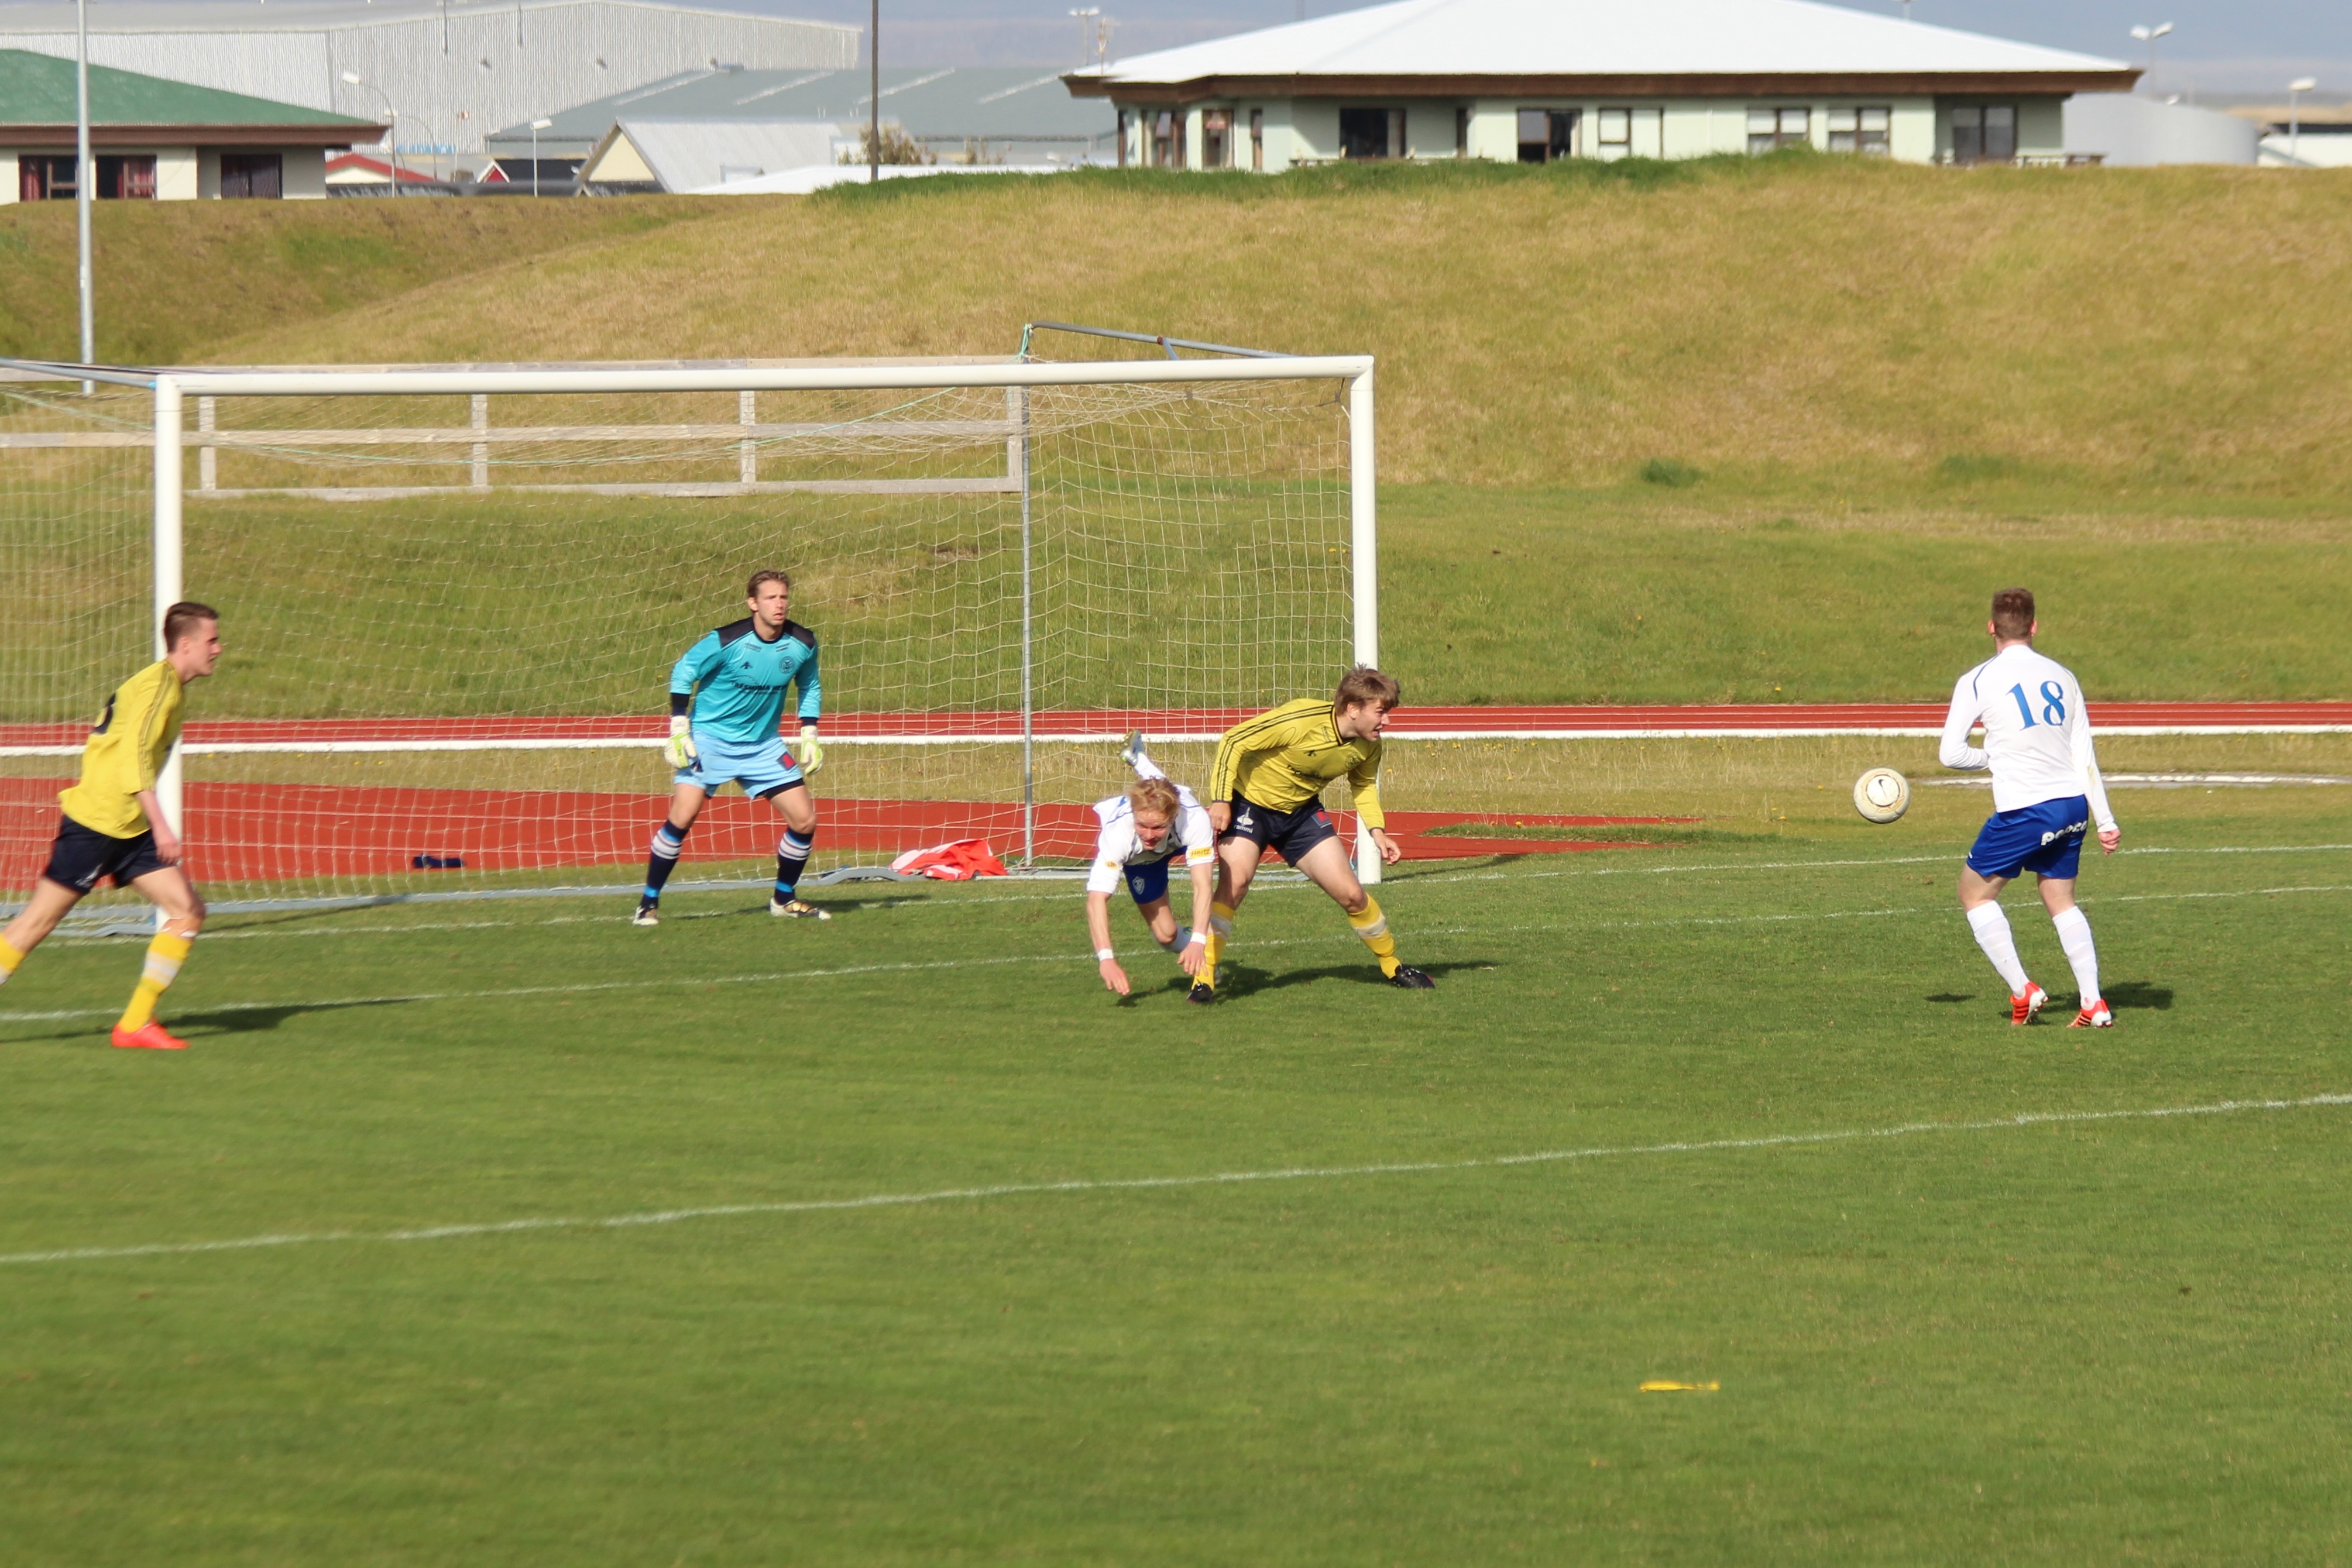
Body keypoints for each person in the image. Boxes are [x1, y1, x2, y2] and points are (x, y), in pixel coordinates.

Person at [0, 603, 221, 1050]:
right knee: (36, 923)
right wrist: (162, 827)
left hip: (128, 825)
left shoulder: (168, 686)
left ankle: (135, 1024)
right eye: (212, 641)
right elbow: (132, 760)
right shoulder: (157, 689)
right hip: (98, 823)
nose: (218, 649)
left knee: (188, 910)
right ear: (186, 644)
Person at [1939, 587, 2119, 1028]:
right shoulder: (2063, 676)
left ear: (1991, 628)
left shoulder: (1977, 679)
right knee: (2060, 899)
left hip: (2025, 809)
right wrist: (2106, 820)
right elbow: (2084, 755)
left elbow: (1951, 754)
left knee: (1973, 894)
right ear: (2034, 627)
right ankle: (2093, 1003)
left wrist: (1991, 757)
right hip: (2072, 806)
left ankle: (2023, 990)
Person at [1197, 666, 1434, 1000]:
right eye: (1381, 712)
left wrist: (1378, 832)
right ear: (1354, 709)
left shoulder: (1369, 746)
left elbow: (1364, 785)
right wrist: (1221, 800)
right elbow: (1234, 740)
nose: (1387, 721)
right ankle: (1203, 977)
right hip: (1249, 805)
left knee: (1352, 896)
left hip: (1300, 814)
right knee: (1234, 885)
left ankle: (1393, 966)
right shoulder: (1301, 719)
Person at [636, 570, 828, 926]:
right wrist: (679, 726)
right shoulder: (725, 640)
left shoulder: (802, 642)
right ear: (753, 603)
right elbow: (684, 672)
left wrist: (810, 732)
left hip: (764, 746)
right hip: (710, 740)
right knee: (683, 817)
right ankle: (648, 903)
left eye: (784, 597)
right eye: (770, 598)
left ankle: (784, 899)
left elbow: (810, 685)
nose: (779, 604)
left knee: (804, 821)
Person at [1087, 732, 1216, 1000]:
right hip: (1141, 860)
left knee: (1233, 866)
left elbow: (1203, 885)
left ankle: (1138, 759)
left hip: (1179, 837)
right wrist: (1106, 958)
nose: (1148, 834)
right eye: (1142, 825)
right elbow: (1097, 899)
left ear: (1173, 817)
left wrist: (1199, 941)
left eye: (1156, 827)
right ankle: (1138, 758)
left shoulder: (1194, 819)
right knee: (1167, 935)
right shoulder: (1118, 834)